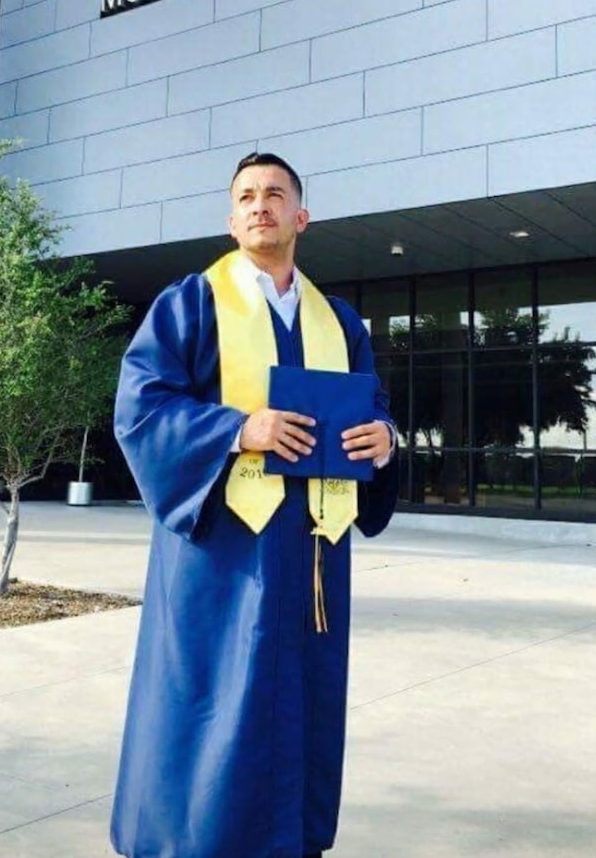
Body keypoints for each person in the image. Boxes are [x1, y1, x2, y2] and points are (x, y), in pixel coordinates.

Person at [111, 152, 399, 858]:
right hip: (223, 556)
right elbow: (140, 408)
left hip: (311, 558)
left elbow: (374, 410)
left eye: (274, 193)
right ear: (231, 216)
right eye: (245, 195)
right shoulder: (190, 302)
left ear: (302, 216)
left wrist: (385, 440)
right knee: (210, 698)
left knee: (300, 696)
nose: (258, 204)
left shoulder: (340, 322)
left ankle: (290, 841)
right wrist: (239, 428)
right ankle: (190, 842)